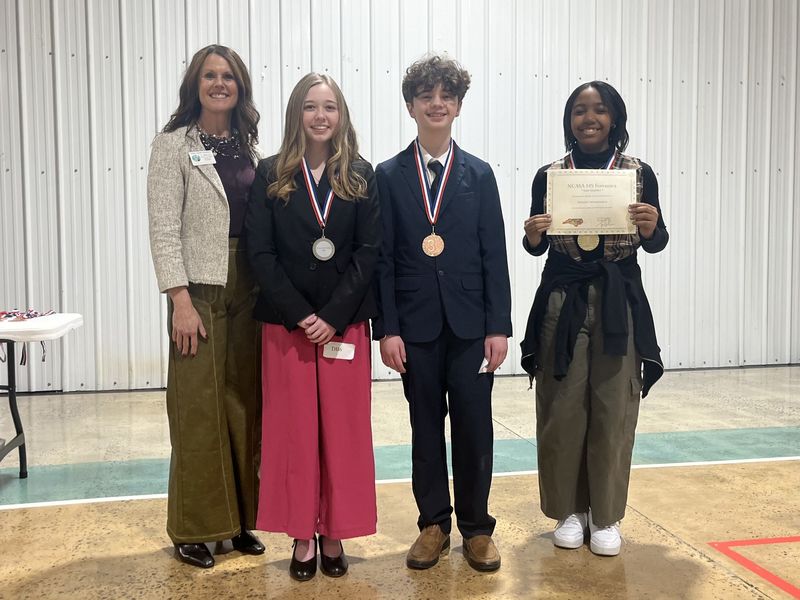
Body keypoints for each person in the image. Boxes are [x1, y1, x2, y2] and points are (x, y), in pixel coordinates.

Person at [374, 55, 512, 573]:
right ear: (410, 106)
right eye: (426, 96)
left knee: (475, 427)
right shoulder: (388, 176)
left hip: (472, 327)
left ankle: (477, 528)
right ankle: (433, 524)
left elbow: (493, 254)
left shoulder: (479, 174)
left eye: (446, 96)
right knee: (424, 426)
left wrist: (498, 325)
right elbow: (383, 259)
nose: (437, 104)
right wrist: (387, 330)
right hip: (416, 328)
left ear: (457, 106)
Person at [520, 81, 668, 556]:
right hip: (562, 299)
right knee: (562, 407)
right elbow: (535, 246)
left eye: (599, 110)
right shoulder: (550, 176)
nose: (589, 118)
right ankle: (568, 510)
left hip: (615, 300)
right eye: (580, 110)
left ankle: (605, 516)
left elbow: (657, 240)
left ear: (614, 118)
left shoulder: (638, 174)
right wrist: (534, 234)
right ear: (569, 120)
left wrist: (651, 226)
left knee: (612, 407)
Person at [246, 73, 380, 582]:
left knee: (342, 434)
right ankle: (302, 533)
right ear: (295, 115)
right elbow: (260, 253)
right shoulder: (270, 174)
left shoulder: (362, 175)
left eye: (329, 107)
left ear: (341, 115)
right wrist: (302, 314)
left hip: (344, 329)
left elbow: (369, 254)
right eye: (310, 106)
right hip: (287, 326)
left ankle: (335, 531)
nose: (320, 116)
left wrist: (332, 316)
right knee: (293, 434)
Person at [147, 44, 265, 569]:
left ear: (239, 87)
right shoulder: (172, 146)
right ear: (195, 84)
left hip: (250, 288)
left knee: (244, 403)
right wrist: (179, 300)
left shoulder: (249, 150)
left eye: (229, 77)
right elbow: (163, 229)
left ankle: (238, 522)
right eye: (210, 76)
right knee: (197, 410)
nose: (220, 84)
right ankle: (194, 528)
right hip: (197, 290)